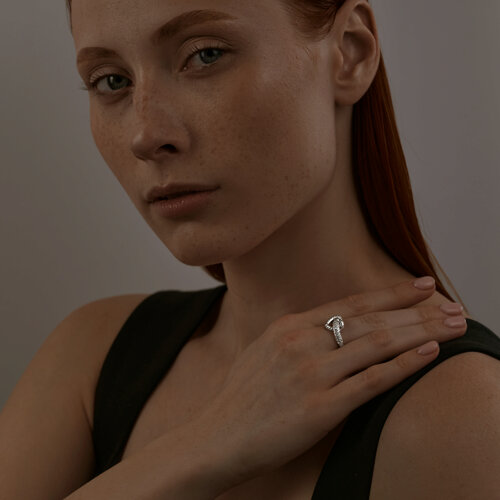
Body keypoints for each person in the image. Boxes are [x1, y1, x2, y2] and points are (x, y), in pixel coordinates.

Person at [1, 0, 499, 498]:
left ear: (350, 52)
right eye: (111, 81)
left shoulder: (463, 414)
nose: (145, 135)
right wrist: (204, 445)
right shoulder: (89, 358)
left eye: (205, 55)